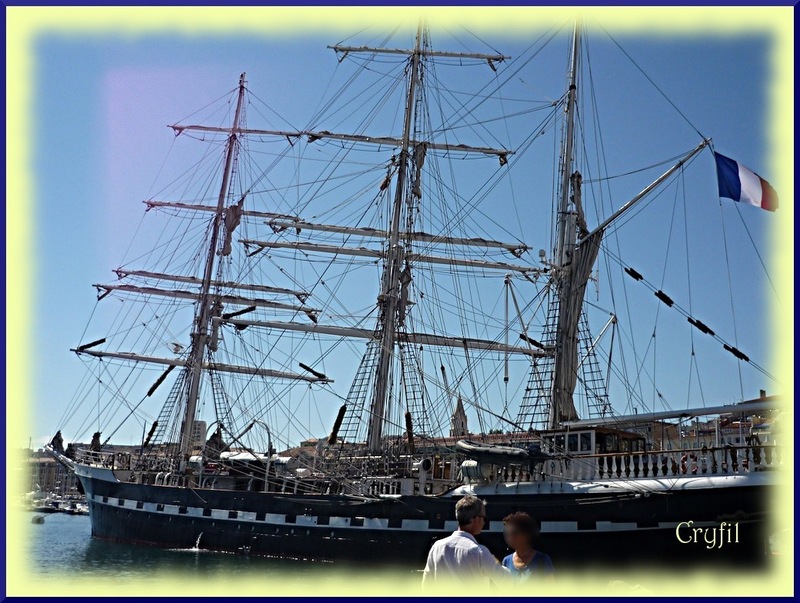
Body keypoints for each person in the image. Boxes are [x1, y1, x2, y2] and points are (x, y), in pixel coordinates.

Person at [422, 495, 510, 586]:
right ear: (476, 519)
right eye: (484, 518)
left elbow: (426, 584)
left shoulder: (437, 547)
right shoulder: (479, 552)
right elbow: (506, 583)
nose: (484, 522)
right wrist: (494, 559)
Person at [501, 512, 554, 583]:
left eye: (514, 533)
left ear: (526, 534)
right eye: (508, 533)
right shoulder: (506, 561)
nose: (510, 537)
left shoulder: (543, 560)